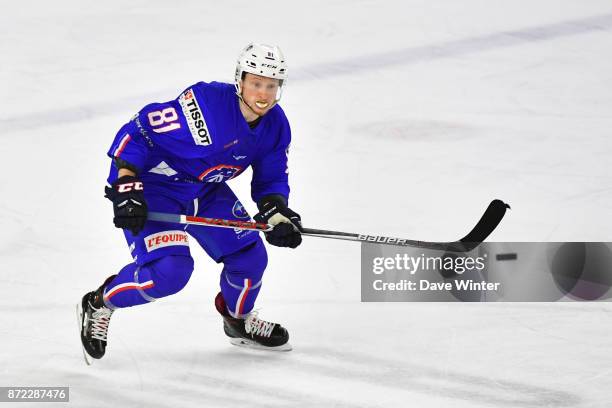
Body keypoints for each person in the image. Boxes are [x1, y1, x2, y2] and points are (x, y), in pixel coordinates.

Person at [77, 43, 302, 363]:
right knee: (170, 272)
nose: (262, 92)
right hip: (156, 189)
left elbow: (271, 177)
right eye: (255, 82)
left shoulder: (276, 124)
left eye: (270, 84)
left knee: (250, 258)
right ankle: (99, 303)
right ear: (240, 81)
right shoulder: (206, 107)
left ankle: (238, 321)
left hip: (204, 189)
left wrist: (276, 212)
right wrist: (127, 182)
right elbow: (140, 129)